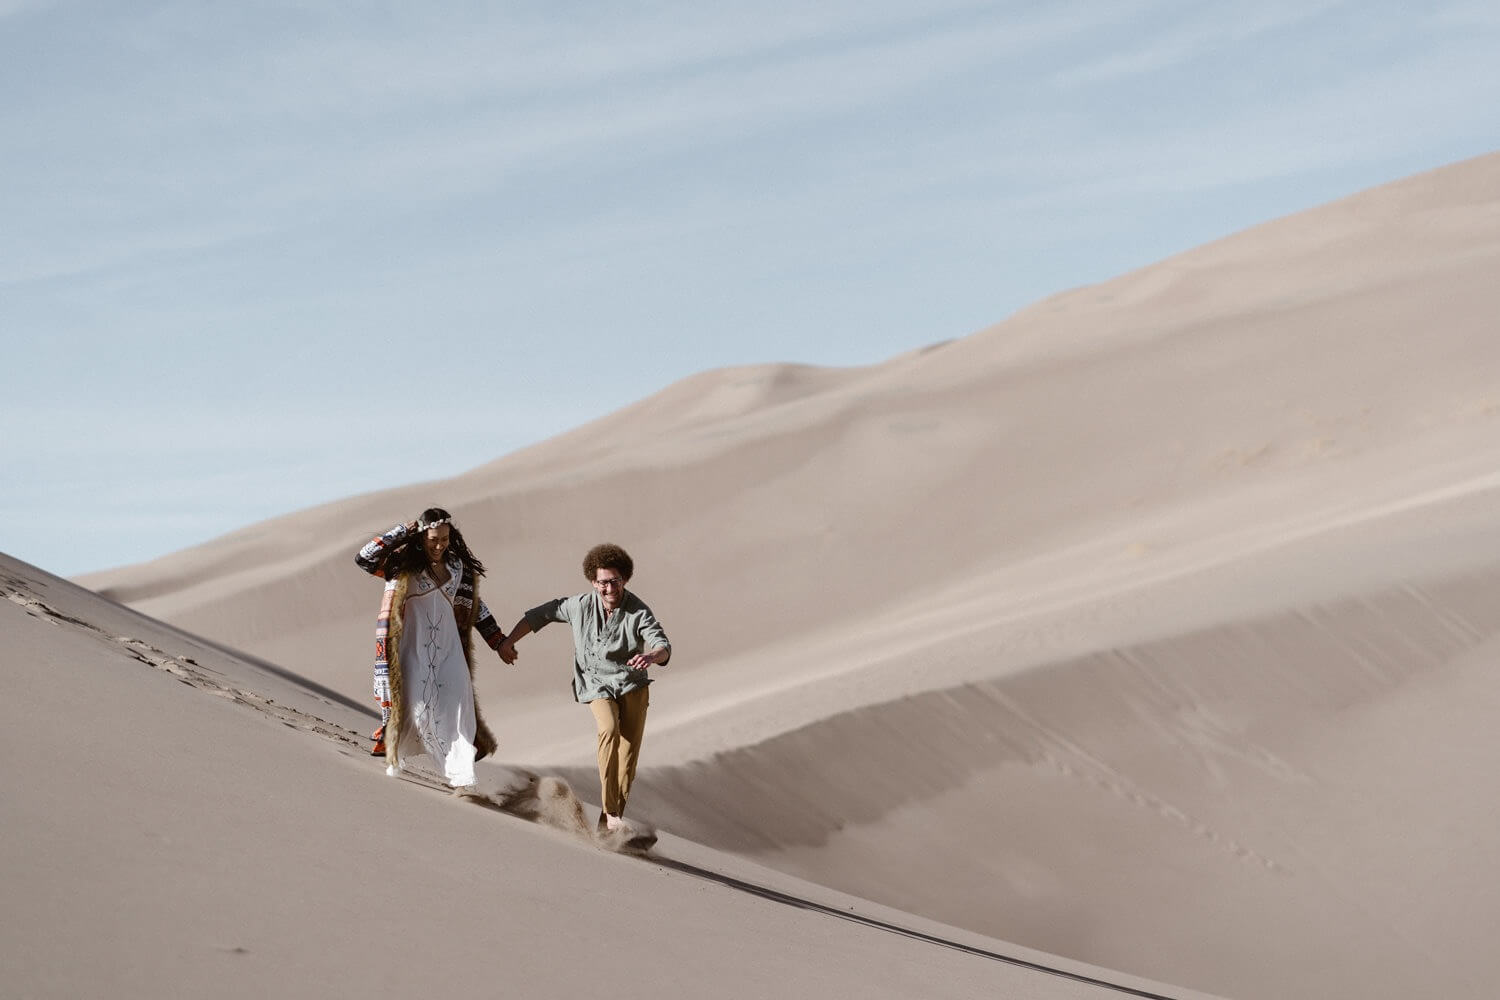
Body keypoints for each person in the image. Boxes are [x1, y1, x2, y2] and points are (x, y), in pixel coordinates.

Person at [498, 543, 670, 831]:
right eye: (603, 582)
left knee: (627, 760)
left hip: (632, 685)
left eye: (615, 581)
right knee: (608, 729)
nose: (609, 588)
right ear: (593, 581)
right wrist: (508, 641)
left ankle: (609, 823)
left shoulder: (638, 611)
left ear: (624, 579)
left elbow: (662, 643)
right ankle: (612, 814)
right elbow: (539, 615)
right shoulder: (579, 605)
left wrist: (652, 655)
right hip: (595, 683)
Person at [355, 507, 507, 787]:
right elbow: (365, 558)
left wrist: (497, 640)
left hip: (449, 649)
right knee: (418, 709)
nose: (439, 545)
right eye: (434, 539)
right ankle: (396, 755)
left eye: (445, 539)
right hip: (412, 648)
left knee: (458, 707)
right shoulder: (401, 563)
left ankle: (461, 777)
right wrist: (404, 530)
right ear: (422, 535)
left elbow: (473, 604)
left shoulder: (457, 566)